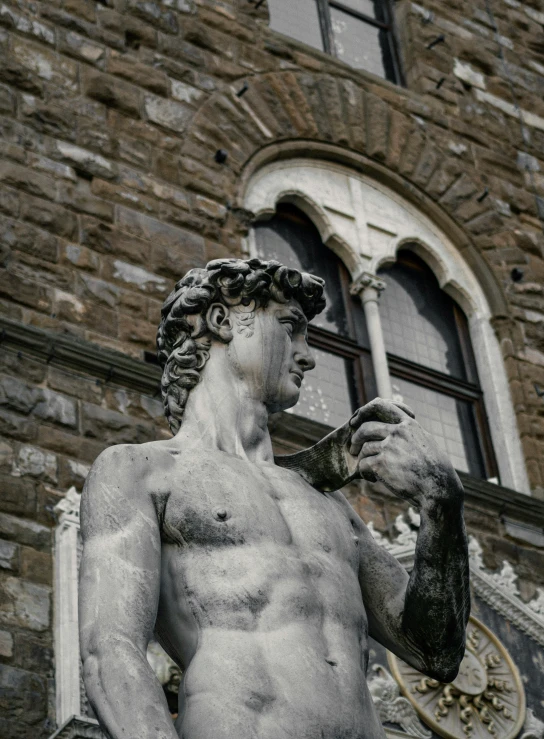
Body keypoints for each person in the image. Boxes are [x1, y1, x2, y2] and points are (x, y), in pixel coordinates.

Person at [79, 258, 470, 739]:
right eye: (291, 328)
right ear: (222, 322)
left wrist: (441, 504)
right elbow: (111, 650)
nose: (308, 356)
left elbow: (437, 652)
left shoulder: (324, 501)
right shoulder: (143, 472)